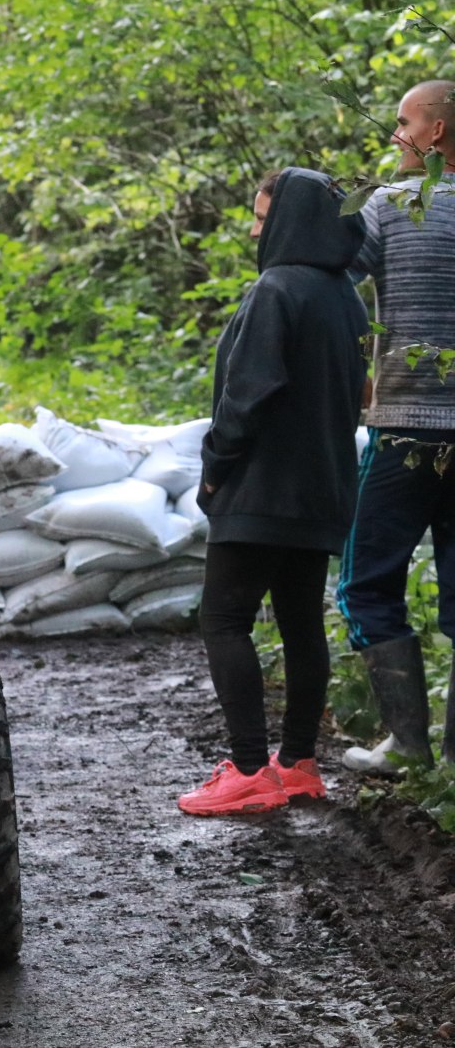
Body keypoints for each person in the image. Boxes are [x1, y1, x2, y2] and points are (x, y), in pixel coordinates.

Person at [177, 168, 369, 816]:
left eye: (262, 218)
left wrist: (215, 465)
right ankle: (300, 763)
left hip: (261, 487)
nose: (255, 231)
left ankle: (252, 767)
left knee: (224, 618)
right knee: (300, 622)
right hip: (321, 490)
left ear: (291, 220)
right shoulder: (346, 297)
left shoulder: (275, 290)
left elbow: (247, 395)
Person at [336, 79, 455, 774]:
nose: (394, 136)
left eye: (403, 122)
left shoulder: (390, 204)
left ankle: (408, 746)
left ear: (435, 134)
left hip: (408, 430)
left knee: (364, 583)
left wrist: (359, 373)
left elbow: (337, 290)